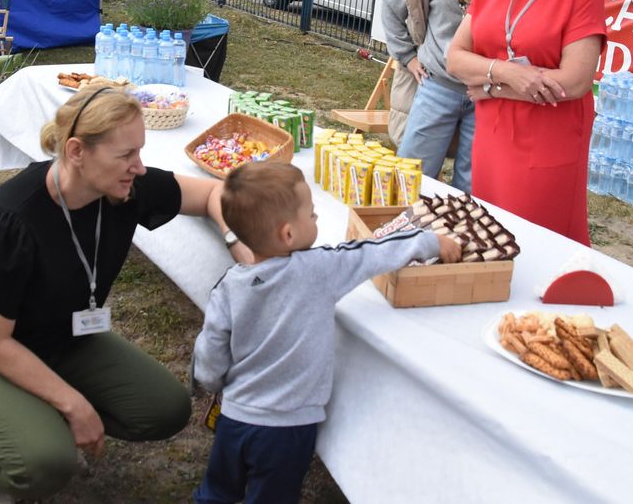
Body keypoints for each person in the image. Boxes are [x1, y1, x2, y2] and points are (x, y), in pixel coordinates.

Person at [0, 88, 252, 502]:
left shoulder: (125, 188)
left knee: (166, 409)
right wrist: (74, 405)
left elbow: (212, 194)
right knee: (46, 461)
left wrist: (240, 245)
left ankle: (27, 413)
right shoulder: (12, 219)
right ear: (77, 151)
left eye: (140, 152)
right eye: (125, 155)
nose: (139, 167)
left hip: (59, 337)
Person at [191, 161, 461, 503]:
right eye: (313, 215)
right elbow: (374, 253)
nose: (317, 219)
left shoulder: (228, 286)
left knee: (217, 491)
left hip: (235, 417)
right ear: (288, 233)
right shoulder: (319, 270)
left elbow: (210, 349)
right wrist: (430, 241)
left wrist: (213, 383)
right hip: (288, 429)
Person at [446, 0, 605, 246]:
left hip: (549, 141)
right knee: (489, 234)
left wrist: (492, 88)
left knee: (536, 243)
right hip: (493, 137)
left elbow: (575, 81)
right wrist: (505, 73)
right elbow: (455, 58)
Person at [380, 0, 509, 192]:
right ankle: (402, 239)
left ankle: (456, 242)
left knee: (473, 188)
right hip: (438, 87)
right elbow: (391, 7)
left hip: (486, 94)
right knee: (410, 181)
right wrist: (408, 58)